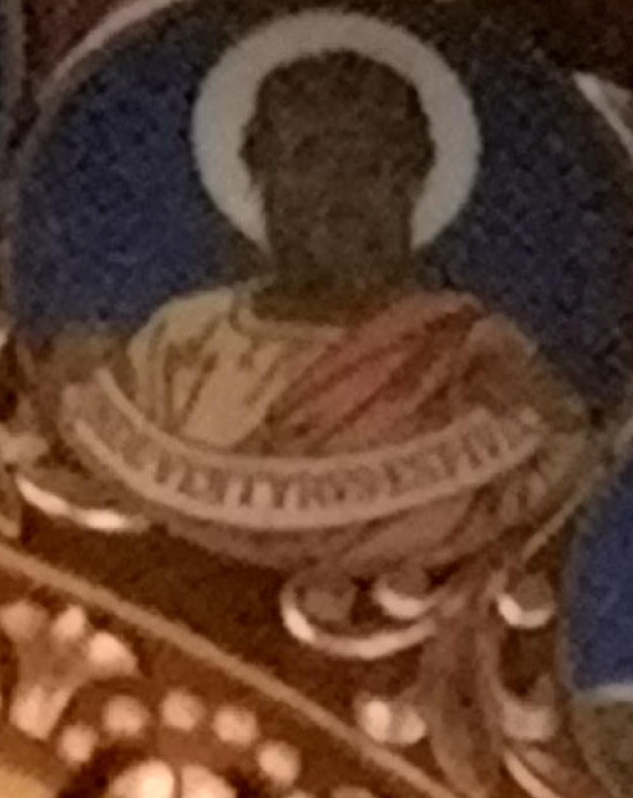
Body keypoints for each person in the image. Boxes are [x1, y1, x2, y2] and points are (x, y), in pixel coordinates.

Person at [59, 41, 574, 552]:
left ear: (413, 180)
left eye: (370, 164)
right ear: (261, 175)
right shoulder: (180, 338)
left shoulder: (473, 358)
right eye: (310, 159)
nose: (339, 191)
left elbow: (546, 473)